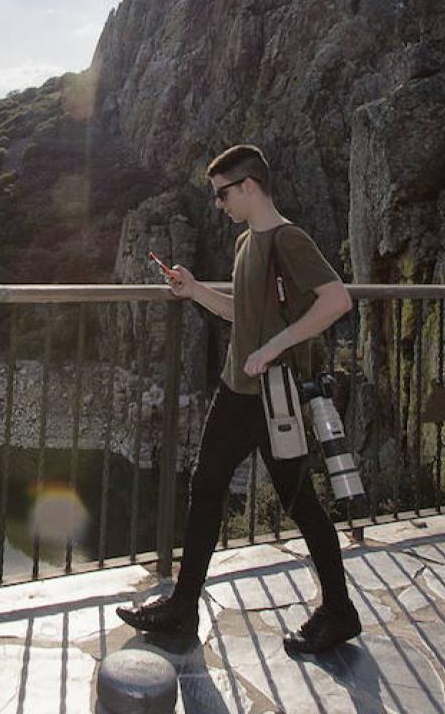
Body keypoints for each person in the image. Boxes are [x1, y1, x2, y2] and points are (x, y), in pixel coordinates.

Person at [117, 142, 362, 654]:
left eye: (223, 193)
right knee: (205, 490)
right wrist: (193, 290)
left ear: (249, 186)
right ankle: (183, 609)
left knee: (302, 505)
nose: (219, 204)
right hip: (236, 391)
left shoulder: (287, 240)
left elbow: (336, 299)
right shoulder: (245, 242)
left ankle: (339, 610)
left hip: (273, 399)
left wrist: (275, 346)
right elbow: (241, 315)